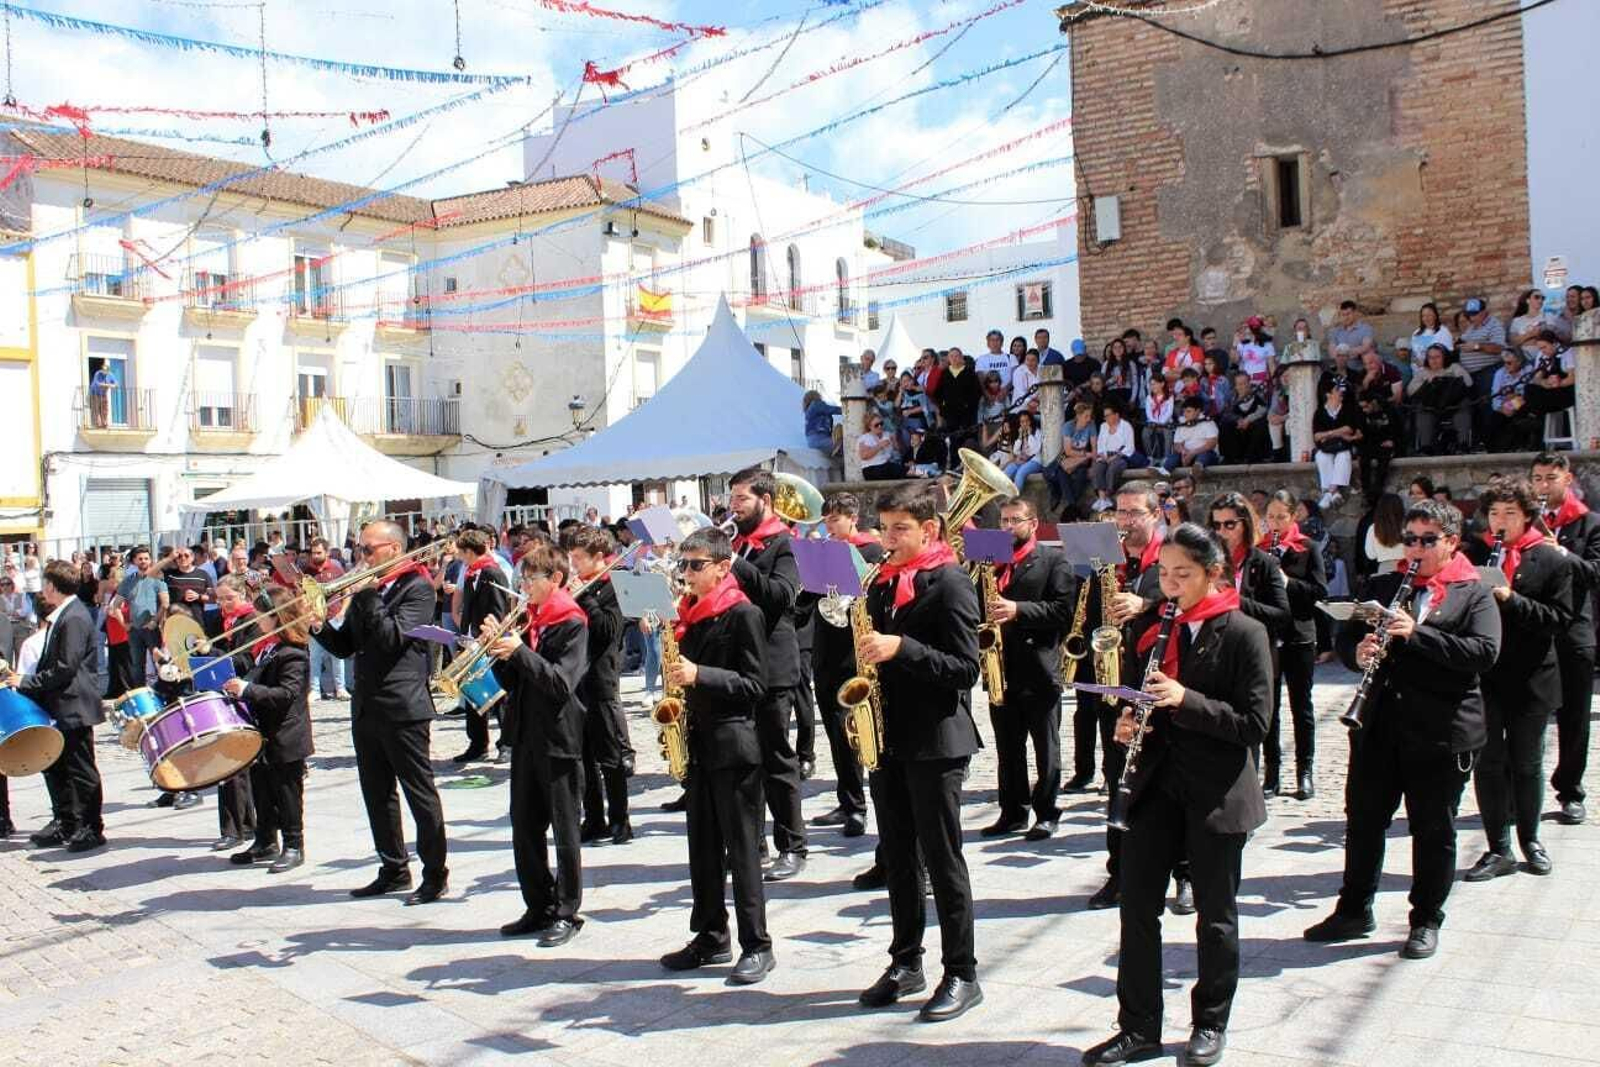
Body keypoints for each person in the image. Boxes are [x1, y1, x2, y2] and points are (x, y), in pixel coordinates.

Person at [1082, 523, 1272, 1067]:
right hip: (1155, 786)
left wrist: (1186, 699)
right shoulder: (1154, 626)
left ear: (1213, 574)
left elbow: (1254, 723)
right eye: (1163, 574)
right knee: (1137, 909)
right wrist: (1128, 719)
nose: (1170, 585)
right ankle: (1137, 1027)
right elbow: (1147, 700)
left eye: (1182, 575)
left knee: (1215, 915)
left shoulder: (1243, 632)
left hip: (1215, 792)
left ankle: (1210, 1022)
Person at [1304, 500, 1499, 960]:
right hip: (1380, 726)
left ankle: (1426, 918)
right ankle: (1354, 909)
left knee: (1434, 829)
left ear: (1451, 542)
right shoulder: (1387, 583)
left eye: (1427, 540)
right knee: (1365, 822)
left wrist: (1417, 634)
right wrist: (1359, 652)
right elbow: (1347, 636)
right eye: (1409, 539)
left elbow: (1484, 653)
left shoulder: (1475, 592)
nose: (1414, 549)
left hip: (1441, 731)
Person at [855, 483, 983, 1022]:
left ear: (929, 529)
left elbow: (964, 669)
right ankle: (906, 960)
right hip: (889, 737)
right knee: (899, 858)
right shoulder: (879, 583)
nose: (888, 539)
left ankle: (963, 972)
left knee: (942, 857)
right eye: (884, 529)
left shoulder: (951, 582)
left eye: (900, 529)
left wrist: (901, 647)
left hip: (936, 740)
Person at [658, 526, 776, 984]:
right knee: (702, 849)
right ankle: (710, 935)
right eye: (683, 565)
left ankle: (757, 944)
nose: (686, 574)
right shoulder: (688, 612)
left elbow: (755, 686)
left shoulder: (742, 614)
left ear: (723, 568)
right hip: (699, 743)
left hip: (734, 745)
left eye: (695, 566)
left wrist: (699, 674)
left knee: (741, 851)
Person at [310, 520, 449, 905]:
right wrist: (318, 626)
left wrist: (368, 594)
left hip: (403, 708)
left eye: (368, 550)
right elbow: (345, 646)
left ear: (393, 548)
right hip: (367, 706)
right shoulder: (370, 591)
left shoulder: (417, 588)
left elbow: (391, 641)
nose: (361, 557)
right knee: (377, 794)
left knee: (419, 794)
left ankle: (435, 874)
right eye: (359, 549)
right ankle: (393, 868)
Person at [1461, 479, 1573, 883]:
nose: (1500, 522)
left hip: (1531, 678)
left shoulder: (1551, 560)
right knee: (1488, 763)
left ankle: (1531, 839)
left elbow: (1559, 620)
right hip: (1486, 677)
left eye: (1509, 513)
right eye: (1494, 514)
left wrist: (1511, 598)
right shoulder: (1474, 557)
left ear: (1527, 516)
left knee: (1526, 763)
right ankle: (1498, 847)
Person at [485, 543, 589, 948]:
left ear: (556, 580)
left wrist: (520, 652)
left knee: (564, 830)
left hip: (559, 737)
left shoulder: (571, 623)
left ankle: (567, 911)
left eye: (531, 579)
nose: (524, 586)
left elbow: (561, 683)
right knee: (524, 827)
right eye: (523, 579)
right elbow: (515, 682)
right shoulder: (532, 621)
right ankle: (538, 904)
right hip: (525, 734)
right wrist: (497, 652)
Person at [1083, 483, 1168, 912]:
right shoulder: (1107, 560)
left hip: (1163, 682)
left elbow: (1188, 603)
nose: (1125, 520)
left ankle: (1184, 873)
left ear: (1155, 515)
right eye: (1120, 512)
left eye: (1135, 513)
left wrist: (1146, 603)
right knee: (1118, 777)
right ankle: (1118, 872)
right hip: (1116, 683)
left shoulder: (1172, 556)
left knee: (1170, 781)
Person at [726, 468, 807, 882]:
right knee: (745, 761)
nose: (734, 507)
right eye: (733, 499)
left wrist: (735, 565)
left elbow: (780, 597)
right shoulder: (738, 545)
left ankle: (792, 845)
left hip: (773, 668)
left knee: (777, 759)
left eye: (742, 499)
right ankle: (750, 842)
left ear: (766, 501)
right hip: (739, 668)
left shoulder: (784, 545)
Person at [981, 498, 1074, 841]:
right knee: (1008, 747)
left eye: (1014, 521)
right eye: (1003, 520)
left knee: (1046, 747)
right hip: (1001, 668)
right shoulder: (990, 561)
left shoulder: (1053, 560)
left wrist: (1017, 609)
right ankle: (1013, 811)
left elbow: (1063, 612)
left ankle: (1048, 812)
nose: (1007, 527)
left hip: (1039, 667)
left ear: (1033, 524)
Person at [221, 585, 313, 873]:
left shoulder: (293, 652)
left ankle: (294, 844)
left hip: (286, 733)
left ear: (278, 617)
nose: (257, 619)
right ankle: (265, 840)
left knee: (286, 793)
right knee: (262, 790)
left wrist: (247, 688)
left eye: (262, 614)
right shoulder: (269, 647)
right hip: (263, 732)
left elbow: (287, 693)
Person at [17, 562, 105, 852]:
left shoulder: (74, 617)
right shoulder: (64, 615)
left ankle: (92, 828)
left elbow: (66, 667)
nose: (43, 590)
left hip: (74, 702)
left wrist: (27, 681)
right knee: (58, 766)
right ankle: (67, 822)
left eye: (45, 584)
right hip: (61, 703)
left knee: (81, 768)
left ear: (52, 586)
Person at [809, 495, 883, 839]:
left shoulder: (871, 552)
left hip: (854, 651)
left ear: (853, 518)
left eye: (835, 519)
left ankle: (859, 808)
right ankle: (847, 799)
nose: (829, 526)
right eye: (826, 520)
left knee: (851, 729)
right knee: (835, 734)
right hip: (825, 650)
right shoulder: (824, 550)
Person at [1531, 454, 1599, 825]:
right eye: (1537, 479)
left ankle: (1571, 791)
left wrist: (1558, 552)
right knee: (1527, 717)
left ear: (1567, 478)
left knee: (1573, 719)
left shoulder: (1590, 524)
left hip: (1573, 633)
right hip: (1534, 633)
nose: (1543, 486)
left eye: (1550, 478)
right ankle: (1520, 792)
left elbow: (1594, 574)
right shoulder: (1526, 525)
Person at [569, 526, 634, 846]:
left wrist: (584, 596)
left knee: (610, 756)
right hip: (576, 678)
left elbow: (609, 630)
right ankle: (594, 818)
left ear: (598, 558)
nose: (574, 564)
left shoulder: (616, 585)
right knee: (583, 755)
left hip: (601, 677)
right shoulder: (580, 585)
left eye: (579, 558)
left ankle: (621, 819)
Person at [1262, 492, 1325, 802]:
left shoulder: (1307, 548)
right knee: (1269, 706)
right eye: (1270, 517)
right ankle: (1271, 772)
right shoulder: (1260, 550)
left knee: (1302, 705)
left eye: (1281, 517)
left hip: (1299, 633)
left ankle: (1305, 772)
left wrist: (1286, 582)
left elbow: (1319, 591)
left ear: (1293, 517)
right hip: (1270, 635)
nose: (1275, 524)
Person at [451, 528, 510, 764]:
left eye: (461, 553)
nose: (459, 558)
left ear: (469, 552)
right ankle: (477, 743)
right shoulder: (472, 572)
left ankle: (507, 743)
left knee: (499, 695)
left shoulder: (492, 572)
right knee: (474, 693)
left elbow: (498, 610)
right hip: (472, 641)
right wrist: (464, 635)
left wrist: (485, 637)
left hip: (489, 642)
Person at [208, 575, 257, 851]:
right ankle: (244, 825)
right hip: (223, 693)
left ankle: (235, 829)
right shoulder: (220, 621)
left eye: (229, 598)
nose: (224, 604)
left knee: (234, 765)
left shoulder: (251, 621)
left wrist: (212, 652)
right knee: (230, 764)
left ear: (243, 596)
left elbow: (246, 659)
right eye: (220, 599)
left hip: (244, 694)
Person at [1406, 343, 1472, 453]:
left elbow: (1469, 383)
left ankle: (1463, 444)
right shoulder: (1423, 372)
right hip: (1431, 407)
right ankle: (1425, 447)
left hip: (1453, 405)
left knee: (1465, 404)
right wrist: (1427, 382)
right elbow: (1410, 391)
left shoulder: (1454, 368)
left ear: (1444, 357)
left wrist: (1447, 379)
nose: (1434, 360)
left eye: (1437, 357)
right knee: (1421, 408)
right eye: (1430, 357)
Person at [304, 538, 348, 701]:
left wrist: (343, 612)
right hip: (315, 618)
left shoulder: (336, 569)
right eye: (313, 553)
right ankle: (314, 689)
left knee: (338, 655)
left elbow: (347, 592)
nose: (315, 556)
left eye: (318, 553)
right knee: (315, 656)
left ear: (327, 552)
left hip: (335, 616)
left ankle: (341, 688)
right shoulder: (307, 572)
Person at [1044, 401, 1096, 517]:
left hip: (1082, 458)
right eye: (1086, 416)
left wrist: (1092, 464)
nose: (1088, 419)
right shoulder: (1068, 426)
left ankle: (1067, 503)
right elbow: (1067, 451)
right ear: (1078, 416)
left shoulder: (1091, 425)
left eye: (1090, 416)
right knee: (1048, 472)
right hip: (1070, 455)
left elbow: (1094, 449)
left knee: (1079, 473)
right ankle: (1067, 501)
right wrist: (1085, 454)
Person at [1311, 385, 1360, 509]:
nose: (1341, 393)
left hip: (1343, 446)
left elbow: (1349, 429)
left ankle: (1330, 491)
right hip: (1326, 447)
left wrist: (1328, 434)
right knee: (1322, 457)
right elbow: (1316, 436)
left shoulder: (1347, 410)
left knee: (1343, 456)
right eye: (1337, 390)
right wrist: (1337, 433)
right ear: (1328, 394)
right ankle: (1335, 493)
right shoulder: (1320, 412)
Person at [1090, 404, 1139, 498]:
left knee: (1113, 468)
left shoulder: (1126, 426)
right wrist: (1104, 456)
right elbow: (1100, 444)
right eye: (1105, 416)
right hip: (1105, 456)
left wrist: (1114, 457)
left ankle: (1107, 495)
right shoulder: (1103, 426)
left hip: (1120, 457)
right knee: (1097, 467)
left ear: (1116, 415)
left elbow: (1130, 447)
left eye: (1108, 415)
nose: (1105, 418)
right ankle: (1101, 499)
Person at [1220, 370, 1268, 464]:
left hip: (1253, 423)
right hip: (1238, 425)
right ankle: (1232, 458)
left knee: (1260, 425)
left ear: (1249, 382)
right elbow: (1226, 414)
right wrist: (1238, 420)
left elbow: (1263, 409)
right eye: (1239, 384)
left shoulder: (1258, 392)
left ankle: (1252, 458)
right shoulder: (1232, 397)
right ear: (1236, 386)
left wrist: (1248, 420)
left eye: (1245, 383)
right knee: (1225, 425)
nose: (1243, 386)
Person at [1164, 397, 1219, 472]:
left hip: (1204, 454)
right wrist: (1183, 452)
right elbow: (1177, 444)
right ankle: (1163, 474)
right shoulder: (1182, 423)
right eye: (1184, 411)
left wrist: (1193, 453)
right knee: (1173, 457)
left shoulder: (1208, 423)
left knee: (1205, 456)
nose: (1185, 414)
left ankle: (1194, 475)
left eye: (1188, 411)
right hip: (1186, 454)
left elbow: (1211, 444)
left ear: (1198, 411)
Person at [857, 413, 904, 481]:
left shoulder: (887, 434)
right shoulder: (865, 438)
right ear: (870, 426)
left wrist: (894, 440)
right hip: (872, 468)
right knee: (900, 470)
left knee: (902, 469)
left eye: (881, 423)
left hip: (887, 466)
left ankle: (920, 472)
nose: (880, 426)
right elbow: (864, 456)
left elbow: (899, 450)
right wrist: (880, 446)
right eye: (876, 425)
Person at [802, 389, 841, 453]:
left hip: (811, 442)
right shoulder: (815, 405)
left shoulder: (809, 412)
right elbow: (830, 409)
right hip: (820, 439)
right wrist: (845, 410)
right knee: (845, 444)